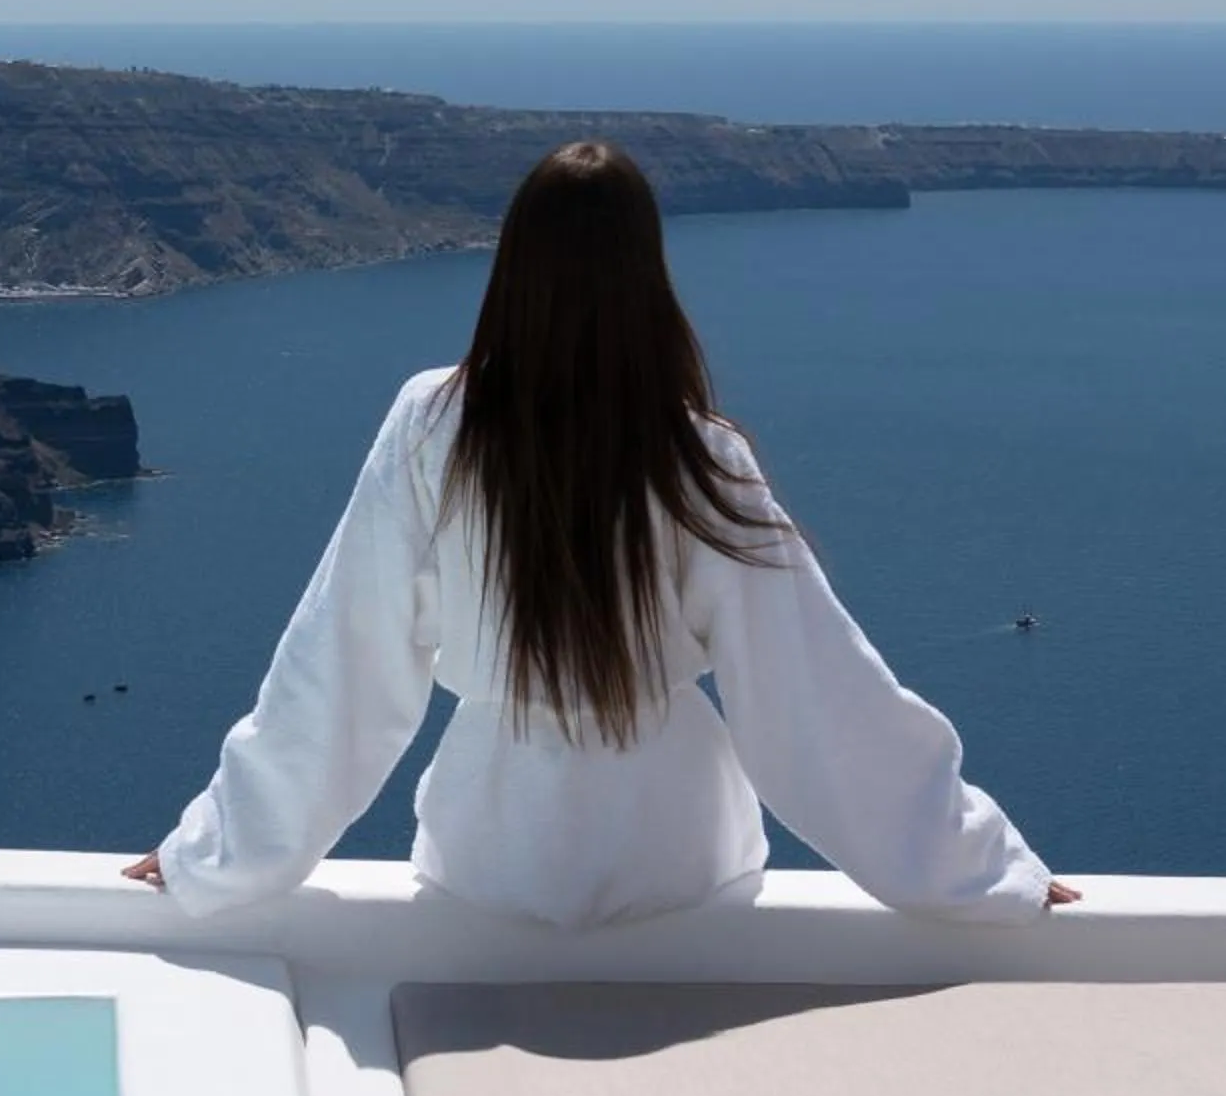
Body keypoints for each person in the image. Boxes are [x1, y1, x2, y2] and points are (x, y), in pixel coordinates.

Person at [125, 140, 1074, 928]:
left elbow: (342, 664)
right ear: (644, 269)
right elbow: (817, 690)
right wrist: (983, 872)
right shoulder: (699, 455)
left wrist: (217, 852)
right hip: (680, 855)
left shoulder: (431, 423)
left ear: (514, 263)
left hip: (494, 855)